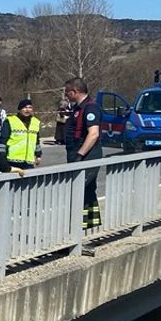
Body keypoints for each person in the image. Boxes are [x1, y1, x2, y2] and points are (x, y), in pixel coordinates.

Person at [63, 78, 103, 230]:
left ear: (75, 91)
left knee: (79, 190)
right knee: (88, 191)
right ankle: (91, 227)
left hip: (87, 155)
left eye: (67, 92)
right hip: (78, 153)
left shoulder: (90, 108)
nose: (66, 95)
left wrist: (80, 155)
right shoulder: (78, 108)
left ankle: (77, 230)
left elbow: (93, 134)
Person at [1, 99, 43, 170]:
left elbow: (36, 141)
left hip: (28, 162)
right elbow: (3, 140)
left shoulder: (35, 122)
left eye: (30, 107)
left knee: (28, 181)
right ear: (20, 109)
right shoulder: (10, 121)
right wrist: (1, 156)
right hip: (12, 160)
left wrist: (38, 155)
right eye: (25, 107)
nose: (27, 110)